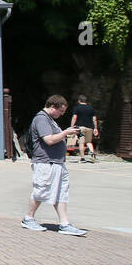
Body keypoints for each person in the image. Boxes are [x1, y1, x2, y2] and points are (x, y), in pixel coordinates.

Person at [22, 95, 87, 236]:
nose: (62, 114)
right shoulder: (41, 119)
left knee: (61, 193)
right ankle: (28, 218)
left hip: (57, 163)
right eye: (61, 111)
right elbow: (49, 140)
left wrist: (66, 132)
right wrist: (65, 133)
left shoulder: (49, 120)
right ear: (53, 107)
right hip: (46, 162)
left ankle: (64, 224)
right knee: (41, 190)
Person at [70, 95, 99, 163]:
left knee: (81, 142)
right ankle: (92, 153)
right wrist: (95, 128)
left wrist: (72, 126)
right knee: (88, 142)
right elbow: (94, 119)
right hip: (90, 127)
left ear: (79, 101)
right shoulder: (91, 108)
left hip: (81, 128)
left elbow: (74, 117)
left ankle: (82, 158)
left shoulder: (77, 108)